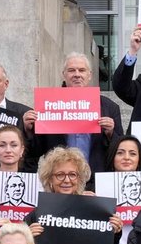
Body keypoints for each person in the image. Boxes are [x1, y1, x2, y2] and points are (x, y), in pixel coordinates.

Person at [31, 53, 124, 182]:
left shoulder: (109, 107)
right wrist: (29, 126)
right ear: (64, 74)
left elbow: (121, 148)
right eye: (71, 70)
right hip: (60, 179)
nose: (77, 74)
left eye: (81, 70)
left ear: (89, 75)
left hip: (97, 179)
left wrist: (110, 133)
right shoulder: (49, 104)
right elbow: (35, 148)